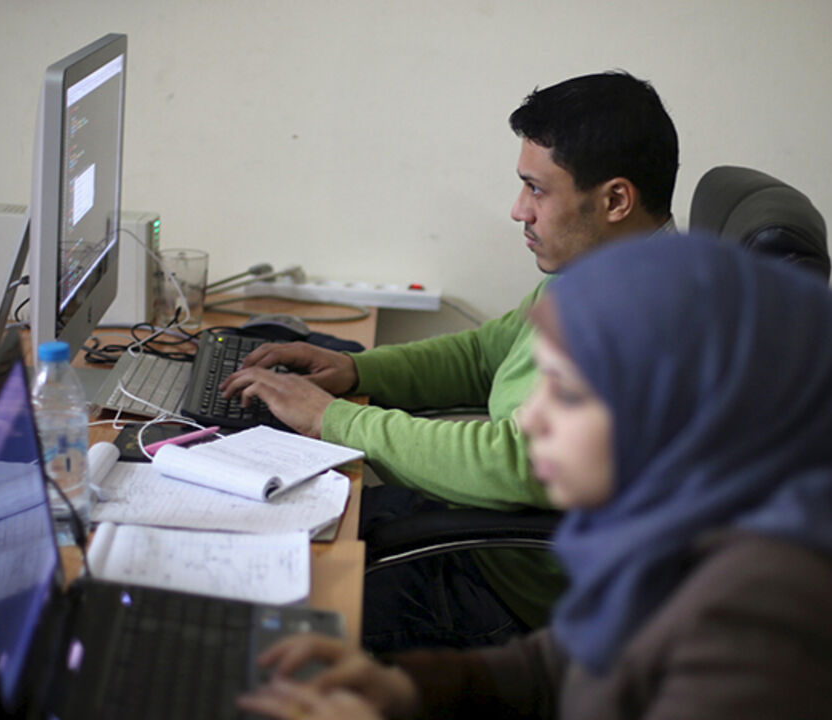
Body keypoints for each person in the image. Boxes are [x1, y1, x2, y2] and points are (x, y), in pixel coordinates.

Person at [234, 232, 832, 720]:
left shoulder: (778, 627)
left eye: (567, 394)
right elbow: (556, 671)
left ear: (677, 415)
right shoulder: (689, 527)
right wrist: (402, 689)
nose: (533, 419)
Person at [220, 71, 679, 651]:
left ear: (615, 199)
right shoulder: (600, 272)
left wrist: (332, 420)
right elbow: (485, 353)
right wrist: (360, 373)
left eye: (537, 190)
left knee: (255, 631)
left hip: (507, 601)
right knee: (260, 531)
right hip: (479, 540)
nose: (519, 211)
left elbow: (523, 464)